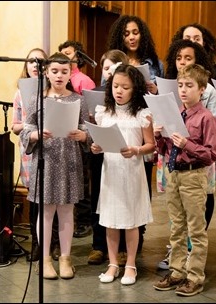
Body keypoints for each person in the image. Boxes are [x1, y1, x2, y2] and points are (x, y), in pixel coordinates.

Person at [19, 52, 90, 280]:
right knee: (46, 211)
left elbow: (86, 127)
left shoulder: (78, 99)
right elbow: (26, 128)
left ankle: (66, 258)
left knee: (67, 210)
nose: (59, 75)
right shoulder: (37, 99)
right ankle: (47, 258)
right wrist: (35, 136)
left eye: (64, 71)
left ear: (71, 73)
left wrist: (83, 135)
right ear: (46, 73)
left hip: (69, 159)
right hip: (46, 159)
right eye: (55, 71)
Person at [153, 64, 216, 297]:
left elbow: (212, 154)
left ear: (202, 89)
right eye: (180, 85)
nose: (183, 90)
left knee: (196, 229)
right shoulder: (176, 114)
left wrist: (187, 144)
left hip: (193, 175)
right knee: (177, 227)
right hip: (173, 173)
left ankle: (195, 276)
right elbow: (163, 149)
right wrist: (159, 136)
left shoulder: (206, 117)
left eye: (189, 86)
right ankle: (177, 271)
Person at [91, 64, 155, 286]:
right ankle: (112, 264)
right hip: (110, 172)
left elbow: (151, 145)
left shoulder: (142, 114)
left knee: (130, 221)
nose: (119, 90)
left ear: (134, 89)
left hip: (131, 171)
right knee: (110, 220)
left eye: (125, 87)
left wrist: (136, 150)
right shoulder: (104, 112)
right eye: (116, 86)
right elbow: (99, 140)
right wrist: (96, 147)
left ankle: (130, 264)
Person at [106, 14, 165, 252]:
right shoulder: (114, 60)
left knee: (139, 185)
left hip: (143, 121)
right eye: (126, 33)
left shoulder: (154, 62)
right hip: (118, 119)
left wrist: (154, 88)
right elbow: (107, 91)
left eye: (135, 32)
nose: (131, 37)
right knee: (113, 191)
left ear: (142, 34)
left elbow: (163, 96)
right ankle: (111, 247)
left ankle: (135, 240)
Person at [172, 22, 216, 224]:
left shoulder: (208, 90)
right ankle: (177, 247)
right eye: (179, 58)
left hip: (199, 154)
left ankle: (195, 243)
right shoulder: (172, 86)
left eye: (188, 58)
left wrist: (193, 130)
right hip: (175, 153)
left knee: (202, 198)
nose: (182, 62)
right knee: (175, 204)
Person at [87, 49, 130, 266]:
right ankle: (98, 245)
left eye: (113, 69)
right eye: (105, 69)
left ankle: (123, 248)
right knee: (99, 199)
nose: (109, 73)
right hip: (100, 153)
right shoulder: (95, 93)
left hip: (124, 155)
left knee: (122, 198)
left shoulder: (131, 96)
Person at [10, 48, 52, 262]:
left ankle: (52, 244)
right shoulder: (20, 93)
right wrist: (28, 128)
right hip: (30, 149)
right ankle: (37, 243)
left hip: (52, 149)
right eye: (31, 62)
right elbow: (15, 126)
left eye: (40, 61)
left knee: (52, 198)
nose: (36, 65)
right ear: (26, 66)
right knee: (35, 200)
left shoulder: (52, 90)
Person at [59, 40, 96, 239]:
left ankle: (83, 221)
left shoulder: (84, 80)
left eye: (68, 53)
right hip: (60, 136)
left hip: (77, 135)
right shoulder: (57, 78)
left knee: (81, 180)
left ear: (78, 56)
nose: (64, 56)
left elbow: (89, 113)